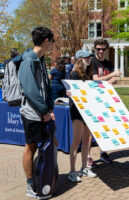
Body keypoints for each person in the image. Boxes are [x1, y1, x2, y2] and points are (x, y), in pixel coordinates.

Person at [18, 27, 56, 199]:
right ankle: (30, 185)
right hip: (31, 113)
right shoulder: (28, 60)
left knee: (44, 145)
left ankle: (42, 178)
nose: (53, 46)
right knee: (30, 146)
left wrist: (48, 110)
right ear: (46, 41)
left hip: (41, 112)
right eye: (52, 42)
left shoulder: (40, 60)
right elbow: (30, 90)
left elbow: (44, 89)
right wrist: (43, 111)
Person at [89, 39, 122, 164]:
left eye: (103, 49)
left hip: (106, 99)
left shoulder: (109, 64)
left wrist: (112, 80)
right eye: (98, 49)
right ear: (94, 49)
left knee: (105, 128)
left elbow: (114, 81)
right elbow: (96, 80)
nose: (101, 51)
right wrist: (111, 77)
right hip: (93, 99)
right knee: (92, 129)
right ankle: (88, 157)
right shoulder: (92, 62)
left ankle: (103, 153)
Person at [67, 49, 97, 183]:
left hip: (87, 110)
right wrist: (69, 92)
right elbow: (70, 90)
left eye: (89, 57)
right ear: (79, 59)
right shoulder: (73, 74)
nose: (88, 59)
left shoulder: (88, 74)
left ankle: (84, 167)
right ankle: (72, 171)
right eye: (85, 58)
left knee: (87, 141)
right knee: (76, 141)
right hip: (77, 111)